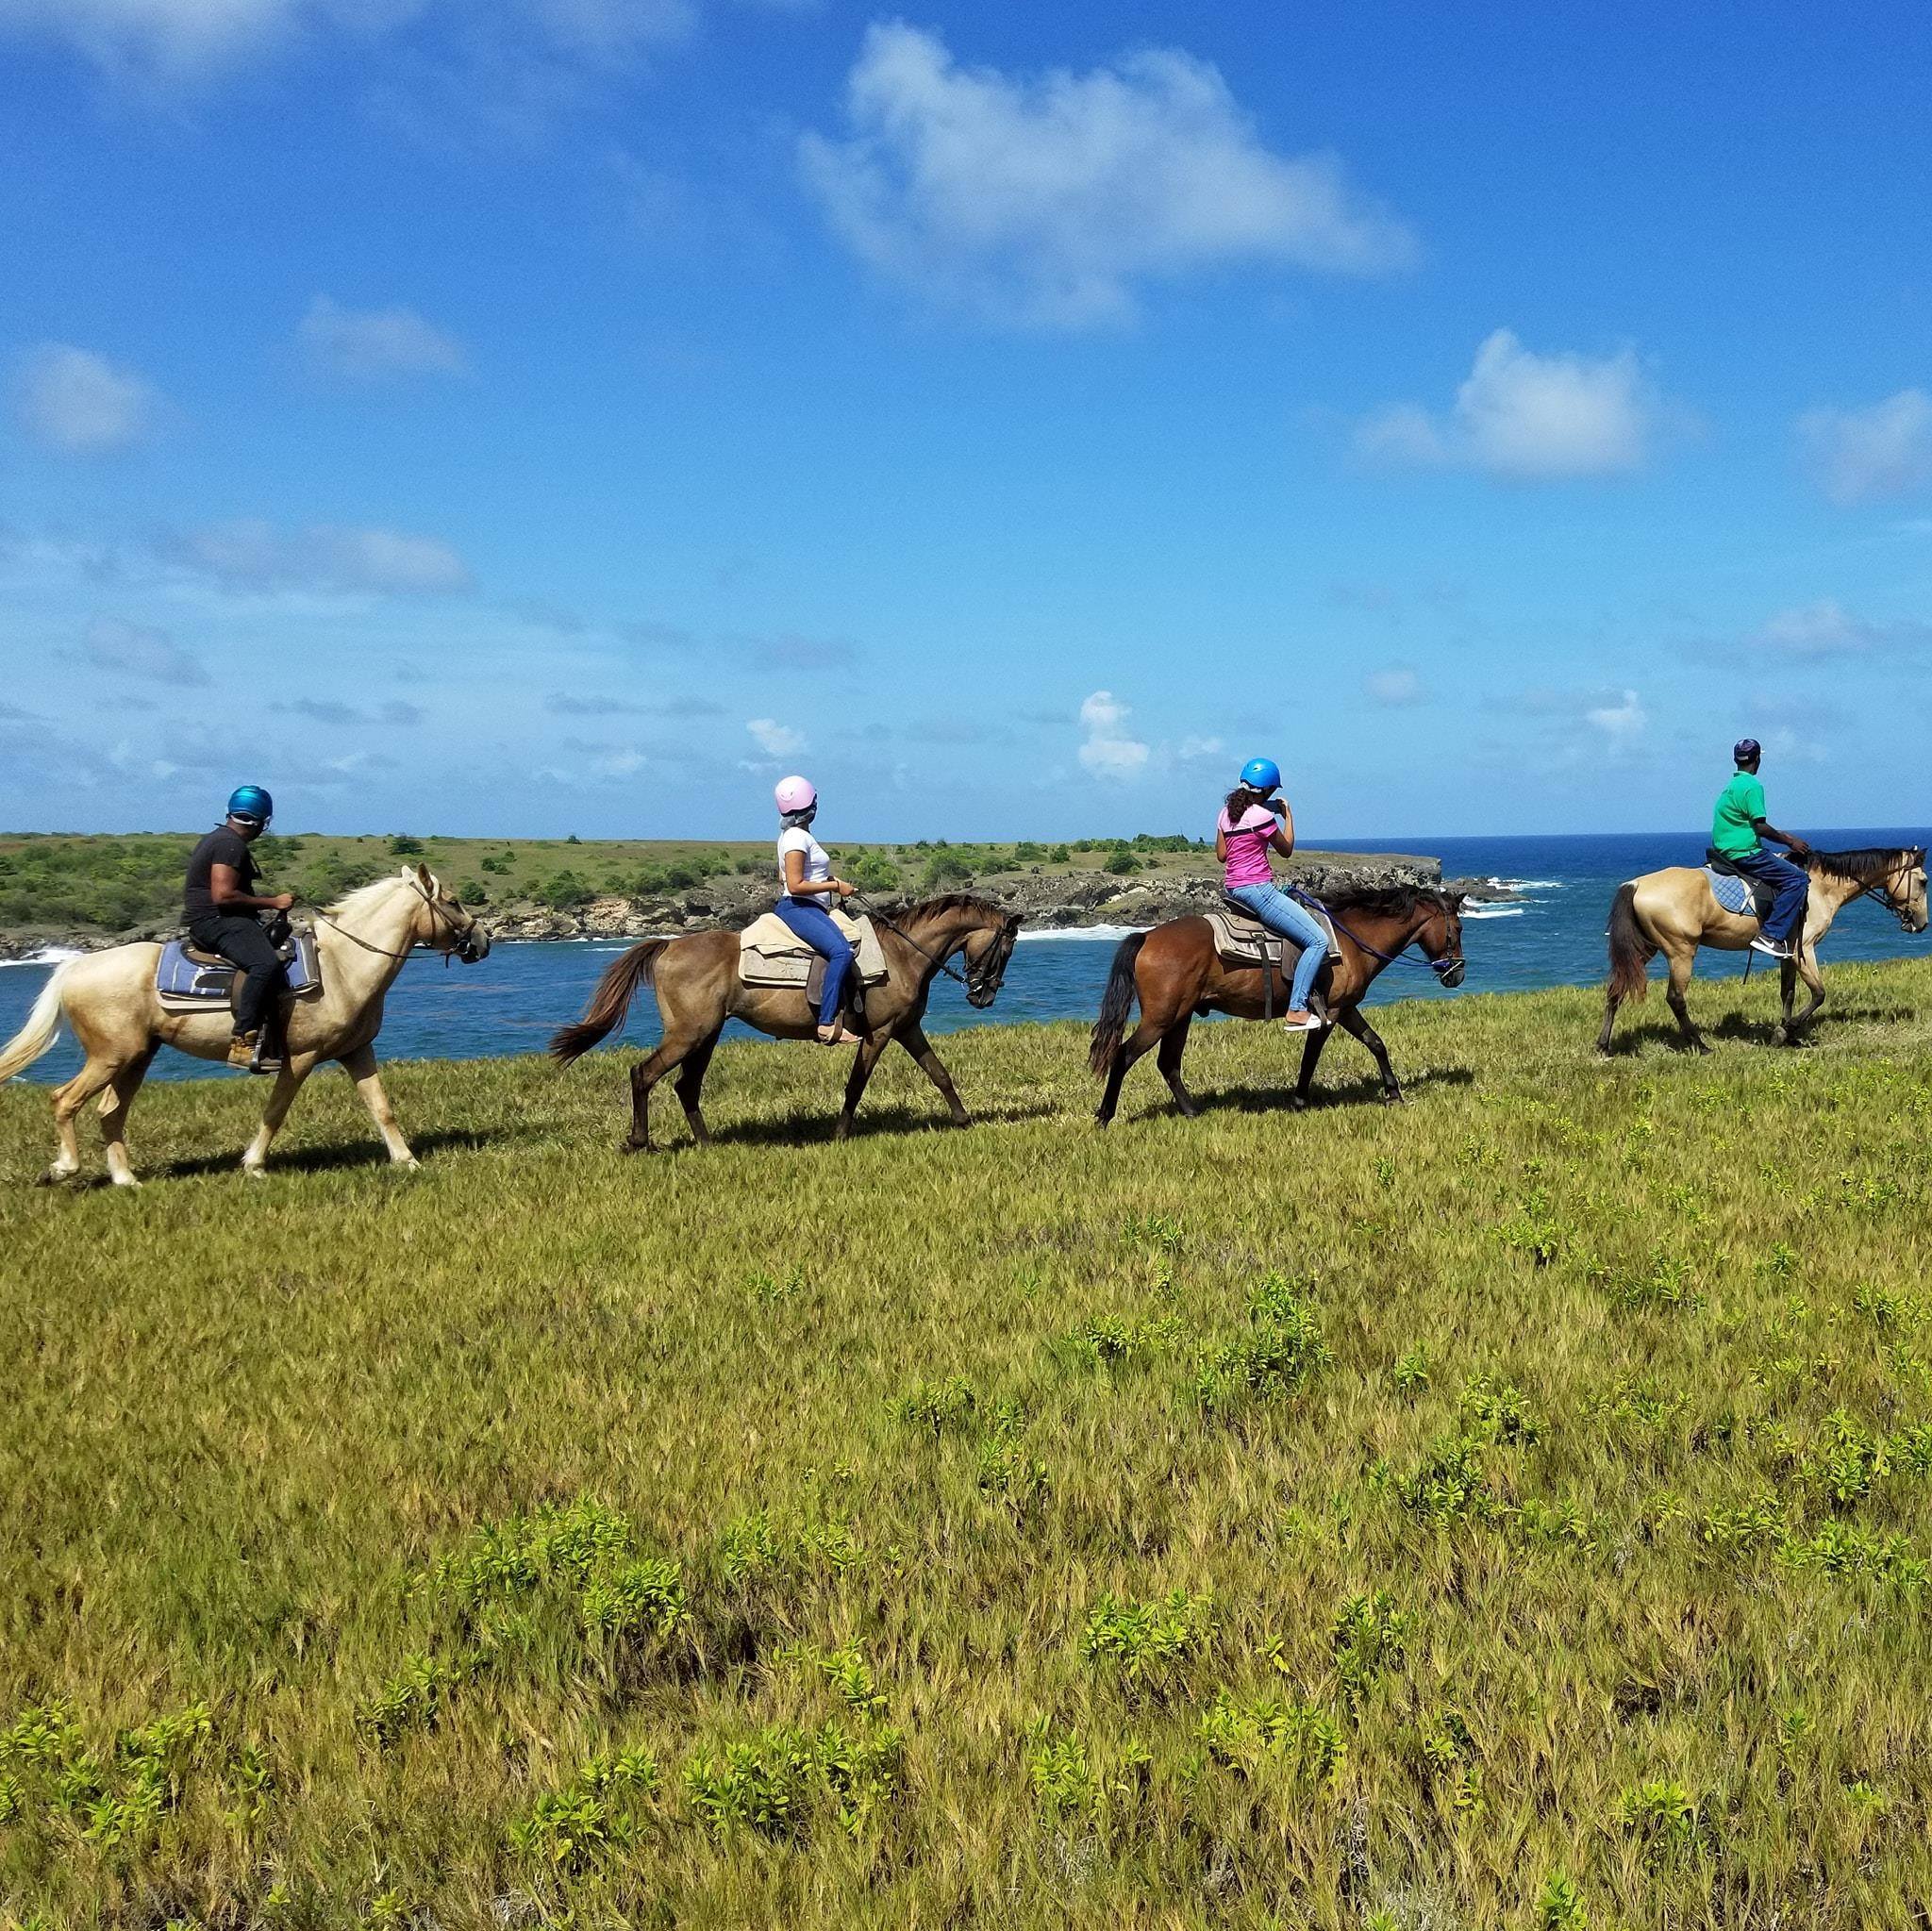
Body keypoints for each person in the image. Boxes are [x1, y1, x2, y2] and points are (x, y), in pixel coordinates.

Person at [183, 785, 295, 1072]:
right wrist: (273, 902)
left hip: (216, 919)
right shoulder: (230, 845)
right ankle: (241, 1042)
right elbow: (223, 895)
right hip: (217, 921)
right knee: (265, 964)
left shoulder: (218, 839)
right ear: (263, 822)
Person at [1216, 757, 1329, 1031]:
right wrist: (1288, 815)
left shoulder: (1225, 813)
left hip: (1233, 889)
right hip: (1259, 892)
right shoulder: (1264, 818)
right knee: (1318, 940)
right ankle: (1297, 1009)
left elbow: (1222, 855)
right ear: (1268, 790)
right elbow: (1287, 849)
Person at [771, 774, 863, 1045]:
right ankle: (826, 1023)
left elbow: (782, 876)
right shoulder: (797, 838)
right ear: (809, 807)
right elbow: (795, 885)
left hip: (809, 906)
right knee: (841, 951)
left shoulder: (790, 835)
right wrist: (834, 885)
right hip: (799, 907)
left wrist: (826, 882)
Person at [1711, 738, 1812, 959]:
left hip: (1724, 852)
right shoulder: (1752, 786)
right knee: (1797, 880)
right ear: (1757, 760)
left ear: (1736, 760)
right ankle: (1771, 935)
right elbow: (1761, 827)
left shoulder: (1730, 787)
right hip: (1745, 854)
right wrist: (1790, 841)